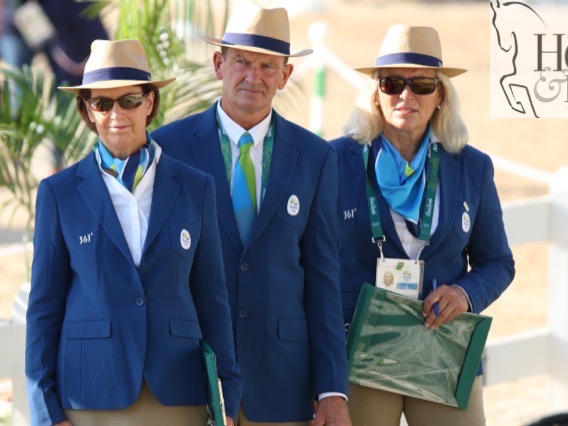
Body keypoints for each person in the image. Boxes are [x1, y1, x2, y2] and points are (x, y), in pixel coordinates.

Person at [151, 2, 350, 425]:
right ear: (219, 64)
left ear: (286, 75)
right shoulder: (166, 148)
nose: (253, 77)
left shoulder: (315, 157)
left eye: (267, 66)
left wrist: (333, 390)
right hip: (190, 376)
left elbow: (323, 280)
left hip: (282, 382)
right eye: (242, 62)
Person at [25, 39, 242, 426]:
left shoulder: (196, 188)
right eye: (102, 103)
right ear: (87, 111)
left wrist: (228, 397)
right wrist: (46, 412)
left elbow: (212, 301)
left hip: (178, 394)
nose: (115, 114)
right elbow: (43, 309)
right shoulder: (58, 194)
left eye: (129, 100)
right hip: (89, 395)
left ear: (150, 103)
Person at [330, 25, 515, 426]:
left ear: (441, 95)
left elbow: (498, 262)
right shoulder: (333, 162)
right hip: (359, 348)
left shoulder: (473, 167)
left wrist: (464, 295)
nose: (406, 95)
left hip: (442, 346)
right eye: (393, 83)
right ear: (376, 94)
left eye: (422, 84)